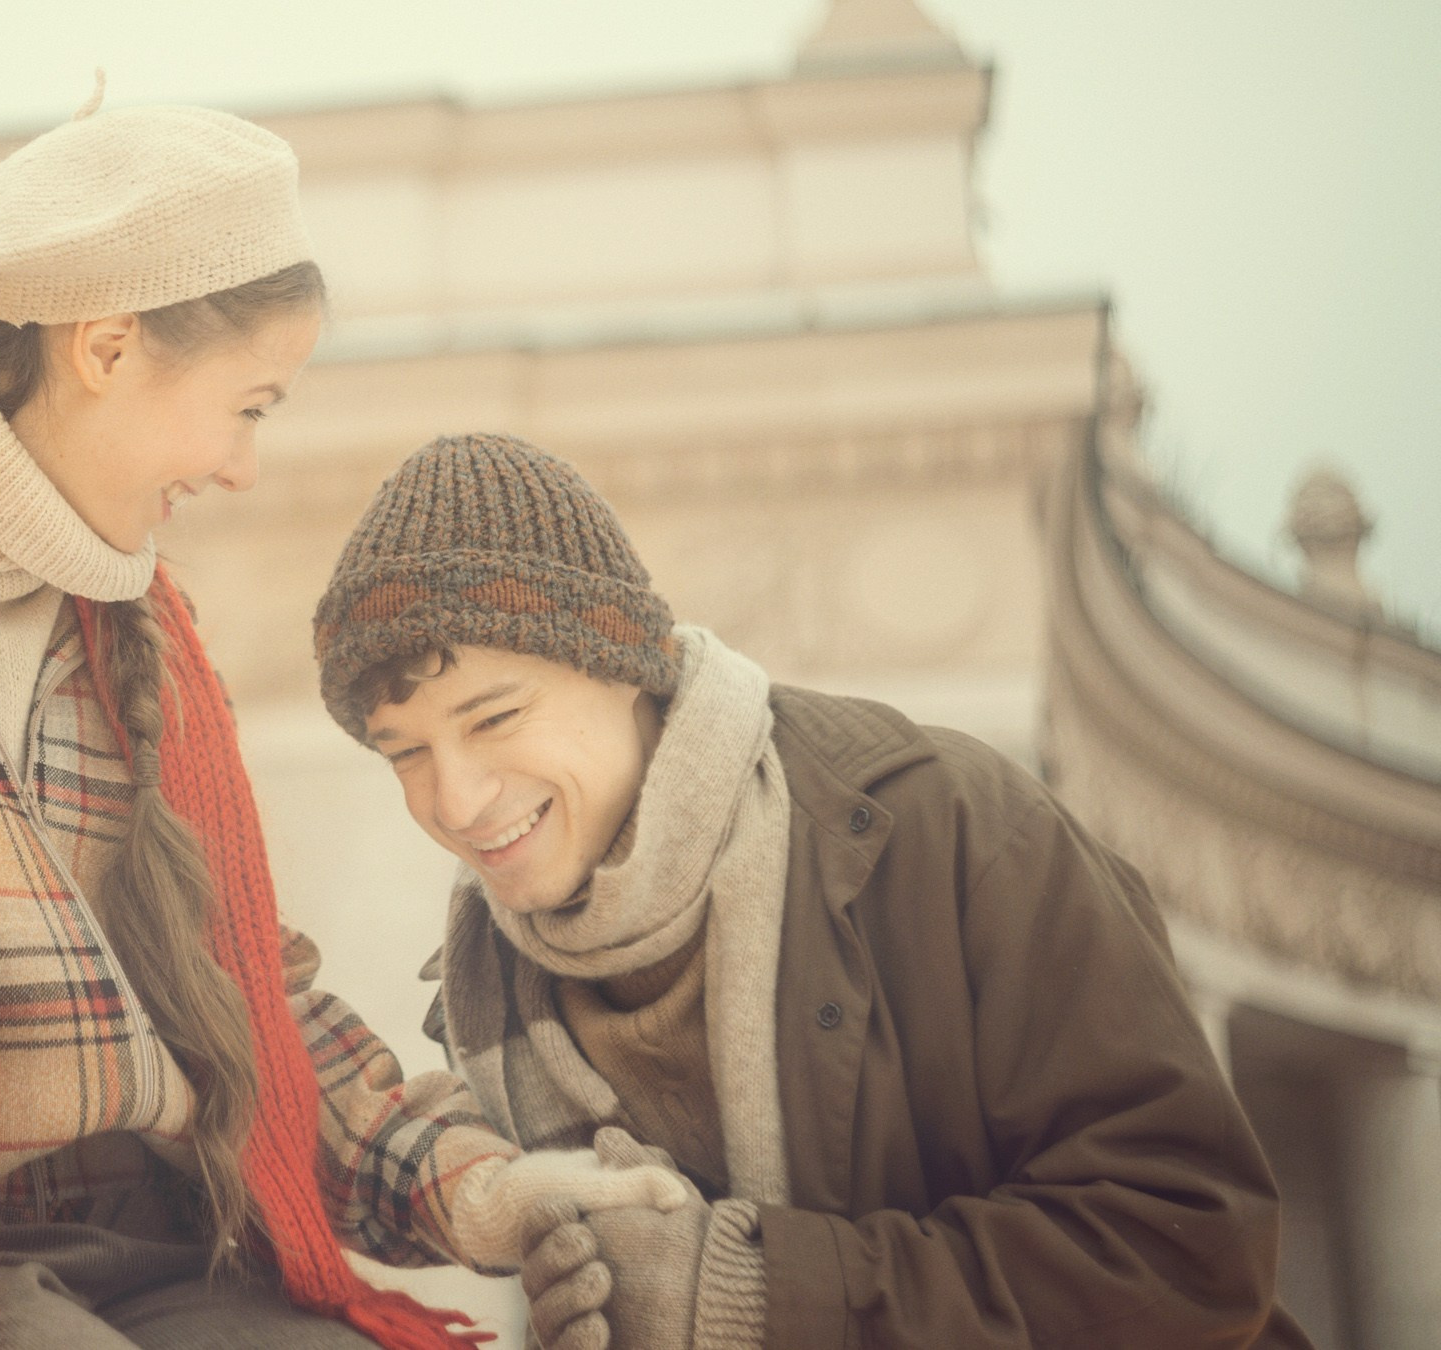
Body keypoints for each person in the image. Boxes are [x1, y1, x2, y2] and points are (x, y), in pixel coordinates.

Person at [0, 106, 674, 1350]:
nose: (246, 465)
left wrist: (481, 1188)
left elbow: (249, 1003)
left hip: (173, 1244)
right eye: (250, 404)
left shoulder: (136, 632)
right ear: (107, 347)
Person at [309, 432, 1314, 1350]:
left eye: (493, 718)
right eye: (404, 754)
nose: (453, 799)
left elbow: (1191, 1250)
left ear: (620, 664)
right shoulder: (487, 980)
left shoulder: (955, 830)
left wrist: (752, 1296)